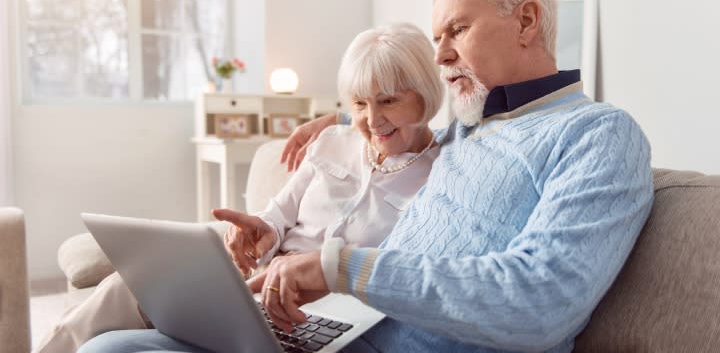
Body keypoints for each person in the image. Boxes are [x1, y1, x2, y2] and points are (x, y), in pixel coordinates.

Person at [80, 0, 655, 353]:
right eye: (436, 39)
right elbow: (398, 120)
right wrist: (336, 117)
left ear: (526, 21)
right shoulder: (468, 130)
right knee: (113, 343)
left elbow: (542, 300)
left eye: (456, 30)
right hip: (345, 335)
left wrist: (338, 267)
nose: (442, 54)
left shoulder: (598, 135)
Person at [36, 22, 444, 353]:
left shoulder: (444, 173)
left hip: (319, 310)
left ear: (425, 96)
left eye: (388, 101)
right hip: (253, 288)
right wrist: (263, 231)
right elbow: (278, 213)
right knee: (129, 285)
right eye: (359, 104)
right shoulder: (331, 142)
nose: (372, 119)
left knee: (112, 348)